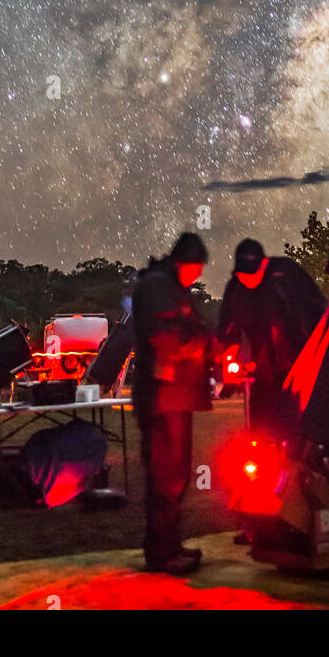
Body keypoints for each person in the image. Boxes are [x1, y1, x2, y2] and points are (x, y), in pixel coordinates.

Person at [131, 230, 215, 575]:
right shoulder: (157, 287)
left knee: (175, 475)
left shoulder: (169, 288)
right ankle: (162, 553)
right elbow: (166, 337)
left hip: (175, 398)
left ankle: (169, 545)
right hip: (162, 398)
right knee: (167, 477)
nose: (198, 276)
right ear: (186, 263)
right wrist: (203, 347)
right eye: (196, 268)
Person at [218, 239, 326, 438]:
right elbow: (227, 333)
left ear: (265, 264)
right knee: (262, 424)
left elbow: (317, 307)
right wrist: (230, 374)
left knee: (297, 424)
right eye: (242, 275)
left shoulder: (287, 275)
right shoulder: (236, 290)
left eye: (252, 274)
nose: (247, 280)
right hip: (264, 366)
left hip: (299, 360)